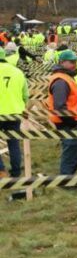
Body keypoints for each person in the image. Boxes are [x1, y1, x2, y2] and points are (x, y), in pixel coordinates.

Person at [49, 50, 77, 176]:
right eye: (71, 62)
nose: (75, 64)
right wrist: (71, 122)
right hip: (67, 122)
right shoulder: (61, 81)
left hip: (74, 121)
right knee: (71, 152)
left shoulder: (67, 77)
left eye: (75, 61)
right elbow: (60, 107)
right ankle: (65, 180)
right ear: (62, 62)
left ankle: (68, 176)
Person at [0, 48, 27, 184]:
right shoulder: (17, 72)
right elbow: (25, 95)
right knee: (13, 143)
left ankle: (1, 170)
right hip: (14, 112)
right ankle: (16, 172)